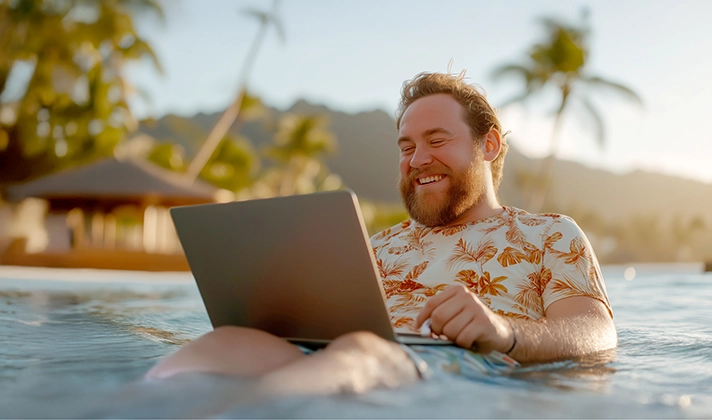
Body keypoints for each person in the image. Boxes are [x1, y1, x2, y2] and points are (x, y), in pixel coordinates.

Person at [145, 71, 616, 395]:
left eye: (437, 140)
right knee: (226, 343)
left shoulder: (548, 233)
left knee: (360, 351)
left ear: (488, 144)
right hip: (337, 368)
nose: (417, 159)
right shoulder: (377, 244)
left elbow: (596, 333)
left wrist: (505, 331)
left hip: (463, 378)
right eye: (406, 146)